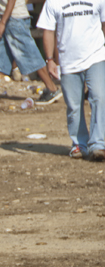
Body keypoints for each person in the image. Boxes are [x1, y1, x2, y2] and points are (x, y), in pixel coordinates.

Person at [38, 0, 105, 160]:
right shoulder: (52, 2)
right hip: (68, 61)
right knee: (74, 105)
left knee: (100, 98)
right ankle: (79, 144)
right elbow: (48, 30)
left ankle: (98, 144)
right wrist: (50, 59)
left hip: (96, 56)